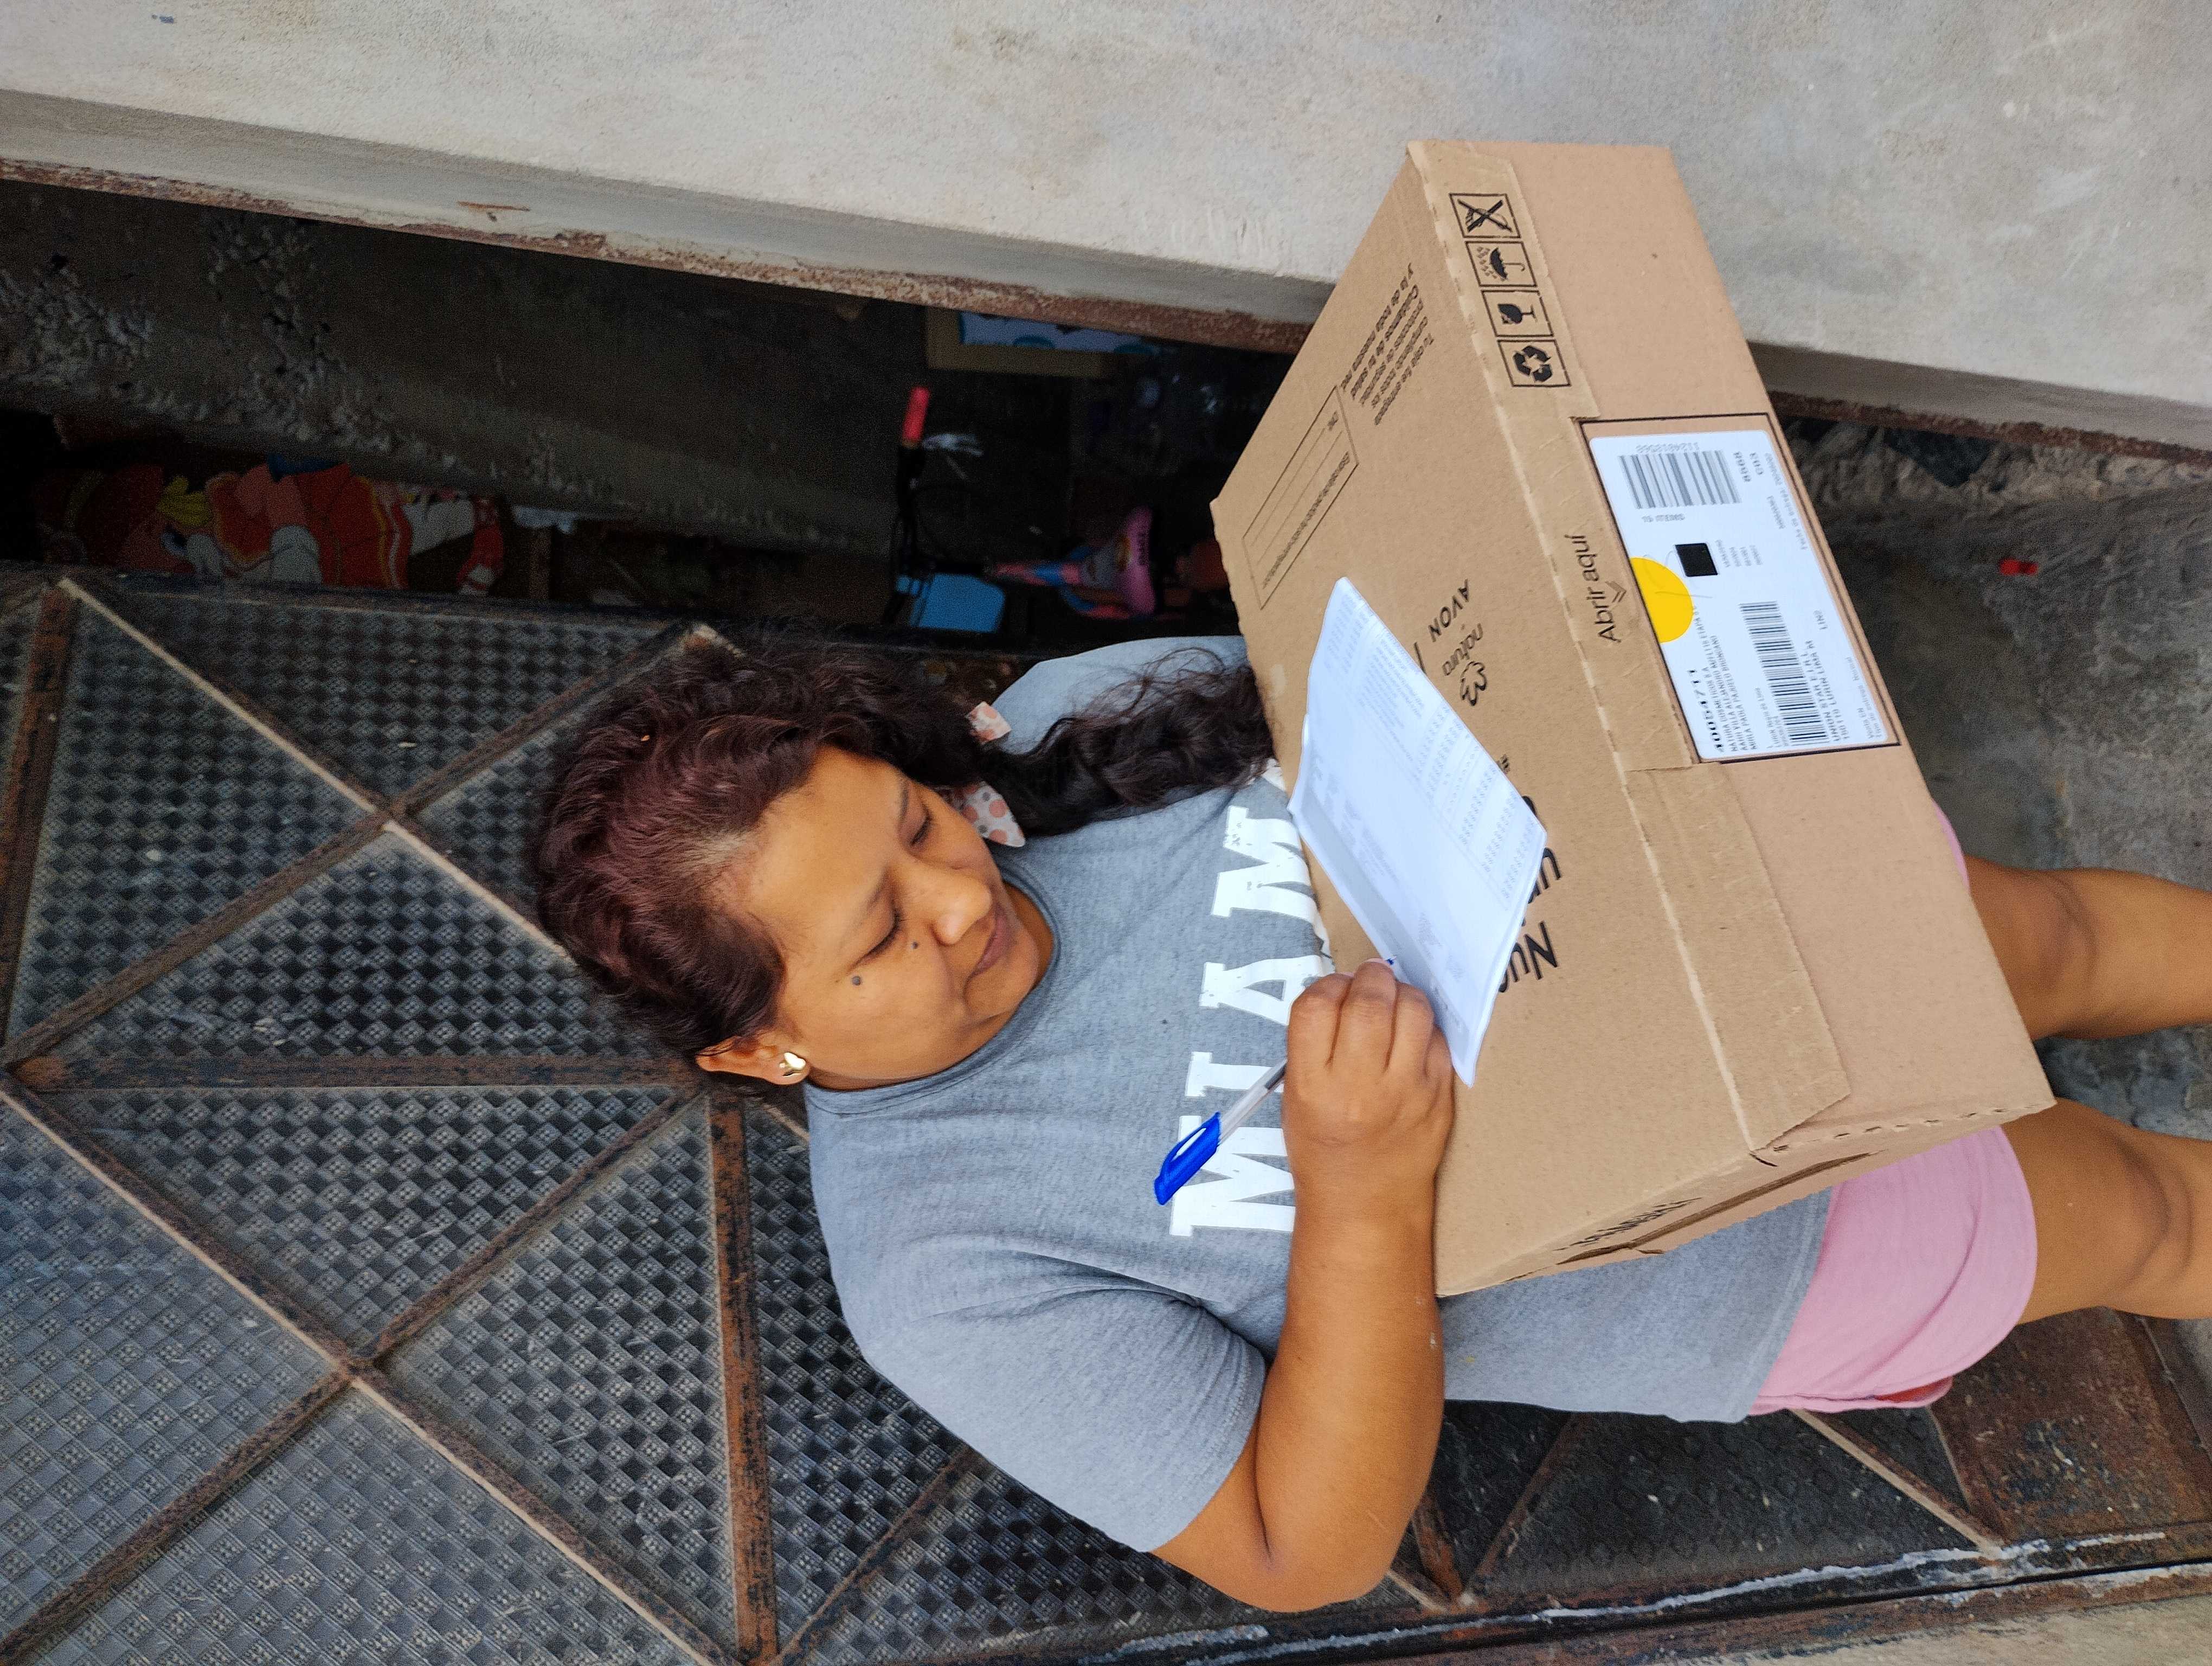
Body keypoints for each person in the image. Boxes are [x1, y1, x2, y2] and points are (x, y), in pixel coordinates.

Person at [535, 632, 2212, 1613]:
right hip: (1756, 1242)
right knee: (2147, 1218)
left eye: (913, 823)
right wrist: (1359, 1186)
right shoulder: (942, 1270)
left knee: (2055, 940)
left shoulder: (1062, 720)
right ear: (759, 1049)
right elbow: (1299, 1544)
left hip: (1732, 917)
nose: (963, 897)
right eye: (883, 940)